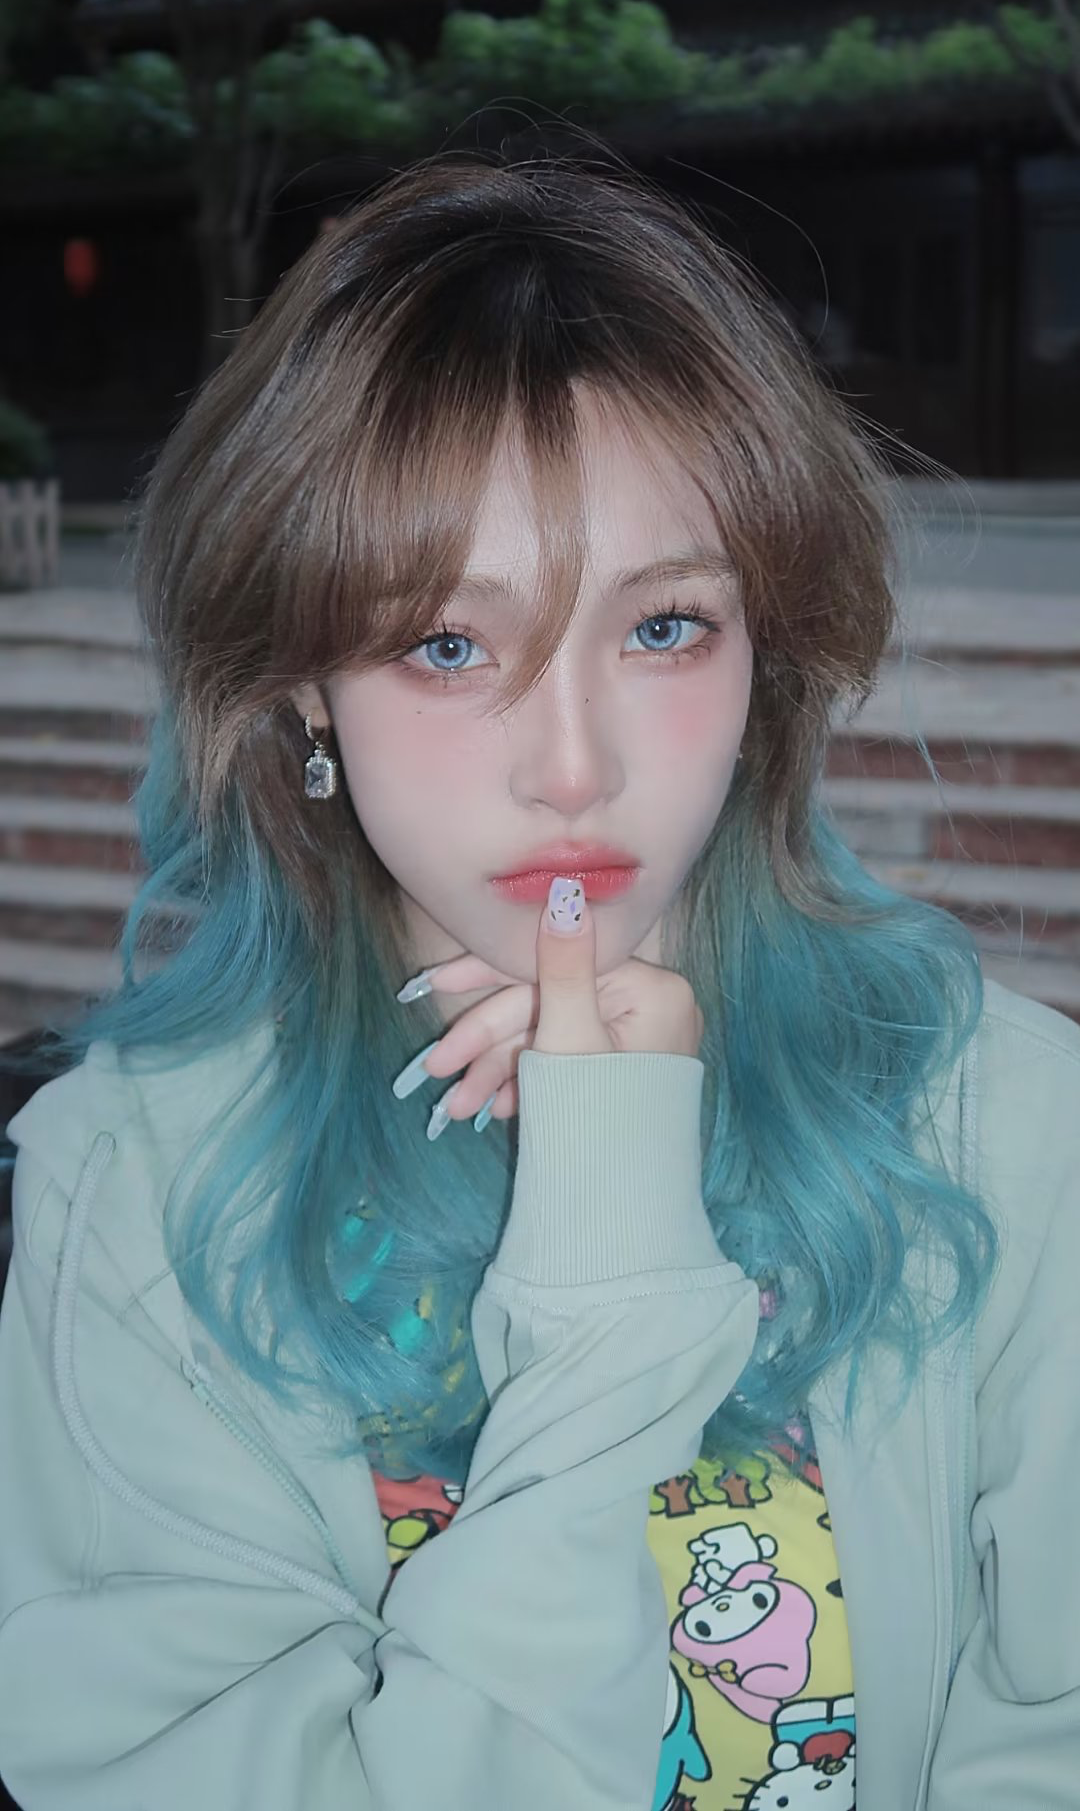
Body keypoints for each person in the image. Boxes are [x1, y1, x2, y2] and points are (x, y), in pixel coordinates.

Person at [0, 149, 1077, 1811]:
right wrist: (605, 1266)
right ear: (302, 687)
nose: (572, 770)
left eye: (663, 628)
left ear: (766, 651)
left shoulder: (1002, 1121)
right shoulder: (133, 1195)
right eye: (447, 645)